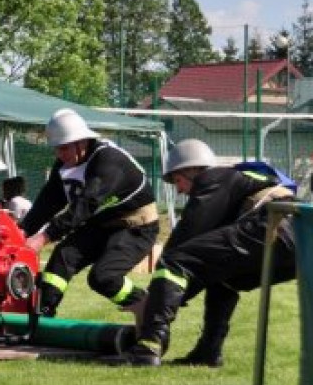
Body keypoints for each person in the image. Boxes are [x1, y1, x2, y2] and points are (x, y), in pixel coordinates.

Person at [122, 139, 297, 367]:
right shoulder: (239, 182)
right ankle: (209, 352)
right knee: (223, 279)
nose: (180, 190)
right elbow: (202, 265)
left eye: (178, 180)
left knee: (174, 262)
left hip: (272, 227)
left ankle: (149, 344)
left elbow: (185, 239)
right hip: (300, 242)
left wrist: (151, 301)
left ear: (194, 169)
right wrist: (167, 296)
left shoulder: (212, 178)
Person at [21, 108, 157, 319]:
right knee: (62, 257)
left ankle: (147, 306)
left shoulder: (108, 161)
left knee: (103, 277)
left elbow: (84, 206)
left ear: (81, 141)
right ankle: (43, 316)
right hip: (101, 224)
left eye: (64, 148)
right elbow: (48, 201)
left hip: (135, 227)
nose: (59, 155)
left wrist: (43, 237)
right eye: (56, 149)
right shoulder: (67, 161)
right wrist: (22, 231)